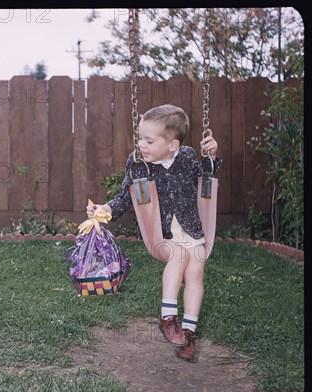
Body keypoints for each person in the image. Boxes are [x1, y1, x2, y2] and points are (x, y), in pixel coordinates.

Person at [87, 104, 220, 362]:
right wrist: (104, 210)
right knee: (179, 256)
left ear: (173, 145)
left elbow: (206, 179)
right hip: (160, 236)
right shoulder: (139, 165)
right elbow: (125, 198)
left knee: (196, 273)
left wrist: (212, 156)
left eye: (149, 140)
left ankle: (188, 334)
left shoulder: (188, 157)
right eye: (139, 138)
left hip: (192, 230)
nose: (141, 145)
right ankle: (168, 317)